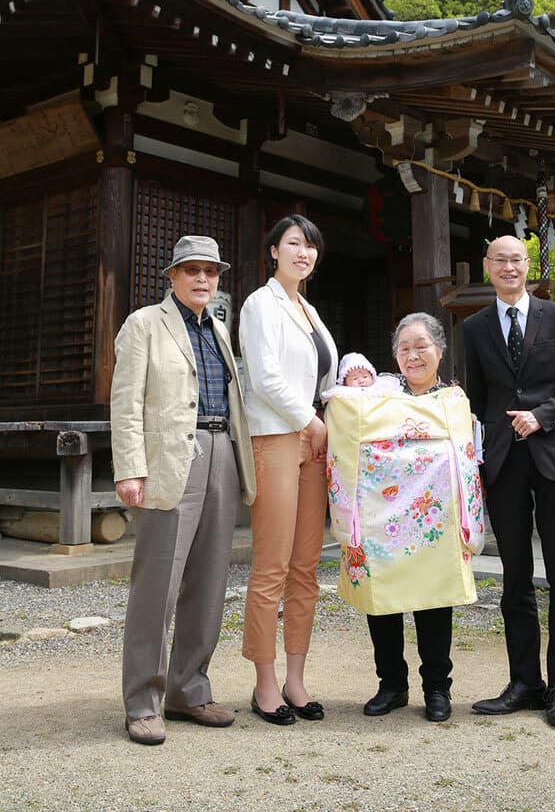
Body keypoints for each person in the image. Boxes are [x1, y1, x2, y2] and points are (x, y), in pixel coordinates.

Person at [111, 235, 255, 746]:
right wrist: (130, 468)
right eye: (191, 270)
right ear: (171, 276)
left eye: (211, 272)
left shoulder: (218, 328)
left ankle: (189, 690)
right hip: (171, 459)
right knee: (159, 585)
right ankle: (143, 701)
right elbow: (126, 402)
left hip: (222, 453)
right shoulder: (144, 324)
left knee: (210, 579)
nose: (202, 279)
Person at [462, 235, 555, 728]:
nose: (508, 267)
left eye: (517, 260)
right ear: (488, 267)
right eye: (499, 260)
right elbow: (475, 402)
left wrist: (543, 415)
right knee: (514, 577)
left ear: (528, 267)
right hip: (502, 462)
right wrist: (472, 462)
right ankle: (524, 682)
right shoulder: (474, 327)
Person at [340, 312, 479, 723]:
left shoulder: (454, 400)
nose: (413, 356)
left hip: (435, 518)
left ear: (439, 349)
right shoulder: (374, 396)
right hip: (381, 516)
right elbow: (347, 435)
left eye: (422, 346)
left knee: (434, 599)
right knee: (382, 600)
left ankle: (437, 687)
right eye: (404, 348)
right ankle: (391, 685)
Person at [239, 214, 338, 725]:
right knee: (271, 565)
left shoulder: (309, 309)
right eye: (295, 243)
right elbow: (263, 377)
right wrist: (308, 420)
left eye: (311, 245)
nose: (304, 252)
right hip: (276, 436)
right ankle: (265, 682)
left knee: (305, 566)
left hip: (313, 437)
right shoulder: (261, 304)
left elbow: (323, 377)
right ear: (273, 251)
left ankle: (297, 679)